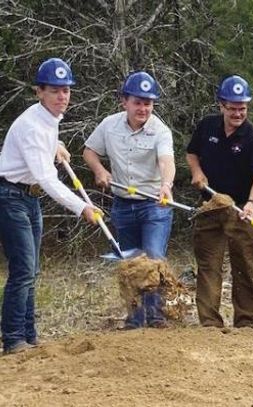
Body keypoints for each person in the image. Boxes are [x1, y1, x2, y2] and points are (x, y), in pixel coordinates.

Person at [0, 58, 98, 355]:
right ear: (39, 92)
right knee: (23, 270)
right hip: (10, 196)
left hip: (28, 197)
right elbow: (46, 177)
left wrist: (55, 146)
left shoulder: (48, 118)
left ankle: (29, 336)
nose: (62, 96)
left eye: (66, 90)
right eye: (55, 91)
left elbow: (45, 144)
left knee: (33, 270)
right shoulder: (33, 126)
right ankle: (14, 338)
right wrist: (82, 207)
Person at [83, 71, 175, 329]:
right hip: (122, 204)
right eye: (138, 102)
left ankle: (155, 316)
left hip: (154, 204)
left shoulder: (161, 131)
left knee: (154, 257)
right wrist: (100, 171)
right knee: (131, 261)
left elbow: (166, 161)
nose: (143, 108)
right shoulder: (109, 125)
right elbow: (89, 152)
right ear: (125, 102)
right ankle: (135, 318)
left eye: (148, 103)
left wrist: (166, 185)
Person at [186, 74, 253, 329]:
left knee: (244, 265)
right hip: (210, 207)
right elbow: (191, 153)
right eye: (232, 108)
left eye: (242, 108)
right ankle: (210, 322)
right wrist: (197, 172)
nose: (237, 114)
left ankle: (245, 321)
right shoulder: (207, 127)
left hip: (240, 209)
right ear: (221, 105)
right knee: (209, 265)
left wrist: (252, 203)